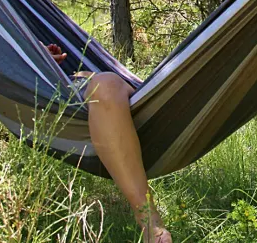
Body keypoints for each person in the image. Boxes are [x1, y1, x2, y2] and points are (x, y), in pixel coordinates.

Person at [46, 43, 172, 243]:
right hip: (65, 89)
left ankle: (149, 221)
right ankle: (148, 218)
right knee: (105, 85)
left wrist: (40, 49)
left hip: (101, 85)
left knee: (105, 84)